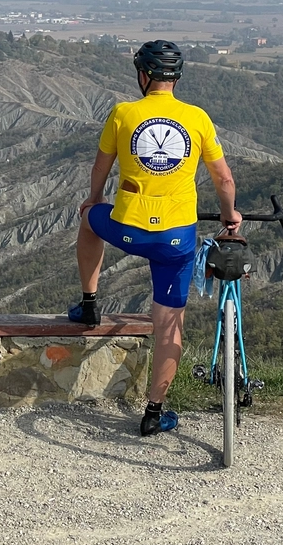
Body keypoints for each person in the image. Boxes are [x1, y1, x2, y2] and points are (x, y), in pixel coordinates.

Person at [74, 40, 240, 436]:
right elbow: (225, 179)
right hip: (175, 241)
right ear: (176, 78)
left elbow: (101, 165)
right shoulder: (197, 118)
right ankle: (154, 411)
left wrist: (94, 200)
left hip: (128, 230)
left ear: (143, 75)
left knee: (88, 221)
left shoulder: (123, 113)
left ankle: (89, 303)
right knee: (169, 323)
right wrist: (230, 214)